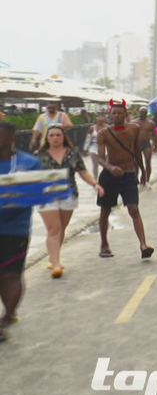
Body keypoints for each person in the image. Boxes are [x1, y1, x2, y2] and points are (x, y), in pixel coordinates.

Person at [36, 124, 103, 278]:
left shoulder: (73, 154)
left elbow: (83, 172)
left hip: (69, 194)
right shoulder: (39, 156)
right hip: (47, 196)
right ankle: (56, 264)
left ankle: (53, 257)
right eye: (51, 135)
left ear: (63, 137)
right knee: (54, 229)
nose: (55, 138)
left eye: (58, 135)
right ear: (47, 138)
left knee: (61, 228)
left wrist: (95, 184)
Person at [95, 100, 153, 259]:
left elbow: (136, 151)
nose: (116, 116)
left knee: (133, 208)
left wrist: (143, 171)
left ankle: (143, 245)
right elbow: (100, 158)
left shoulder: (134, 129)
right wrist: (110, 167)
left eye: (120, 113)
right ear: (110, 114)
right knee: (105, 210)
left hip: (128, 175)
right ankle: (104, 244)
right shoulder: (103, 133)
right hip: (109, 176)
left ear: (125, 115)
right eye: (113, 113)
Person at [0, 121, 41, 342]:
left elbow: (36, 195)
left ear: (11, 138)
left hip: (16, 228)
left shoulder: (29, 163)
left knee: (12, 274)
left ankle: (7, 315)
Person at [134, 106, 156, 188]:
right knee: (136, 163)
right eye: (141, 112)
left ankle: (147, 180)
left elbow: (154, 134)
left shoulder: (150, 123)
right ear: (139, 113)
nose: (143, 114)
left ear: (147, 114)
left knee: (148, 161)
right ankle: (136, 180)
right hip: (137, 145)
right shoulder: (134, 122)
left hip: (147, 144)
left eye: (145, 113)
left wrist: (155, 144)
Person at [83, 114, 107, 180]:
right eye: (99, 119)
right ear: (96, 119)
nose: (100, 120)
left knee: (106, 165)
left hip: (106, 148)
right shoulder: (92, 128)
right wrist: (85, 149)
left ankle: (105, 179)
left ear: (104, 120)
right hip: (94, 147)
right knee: (95, 165)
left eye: (102, 119)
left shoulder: (108, 128)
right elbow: (88, 139)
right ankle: (95, 179)